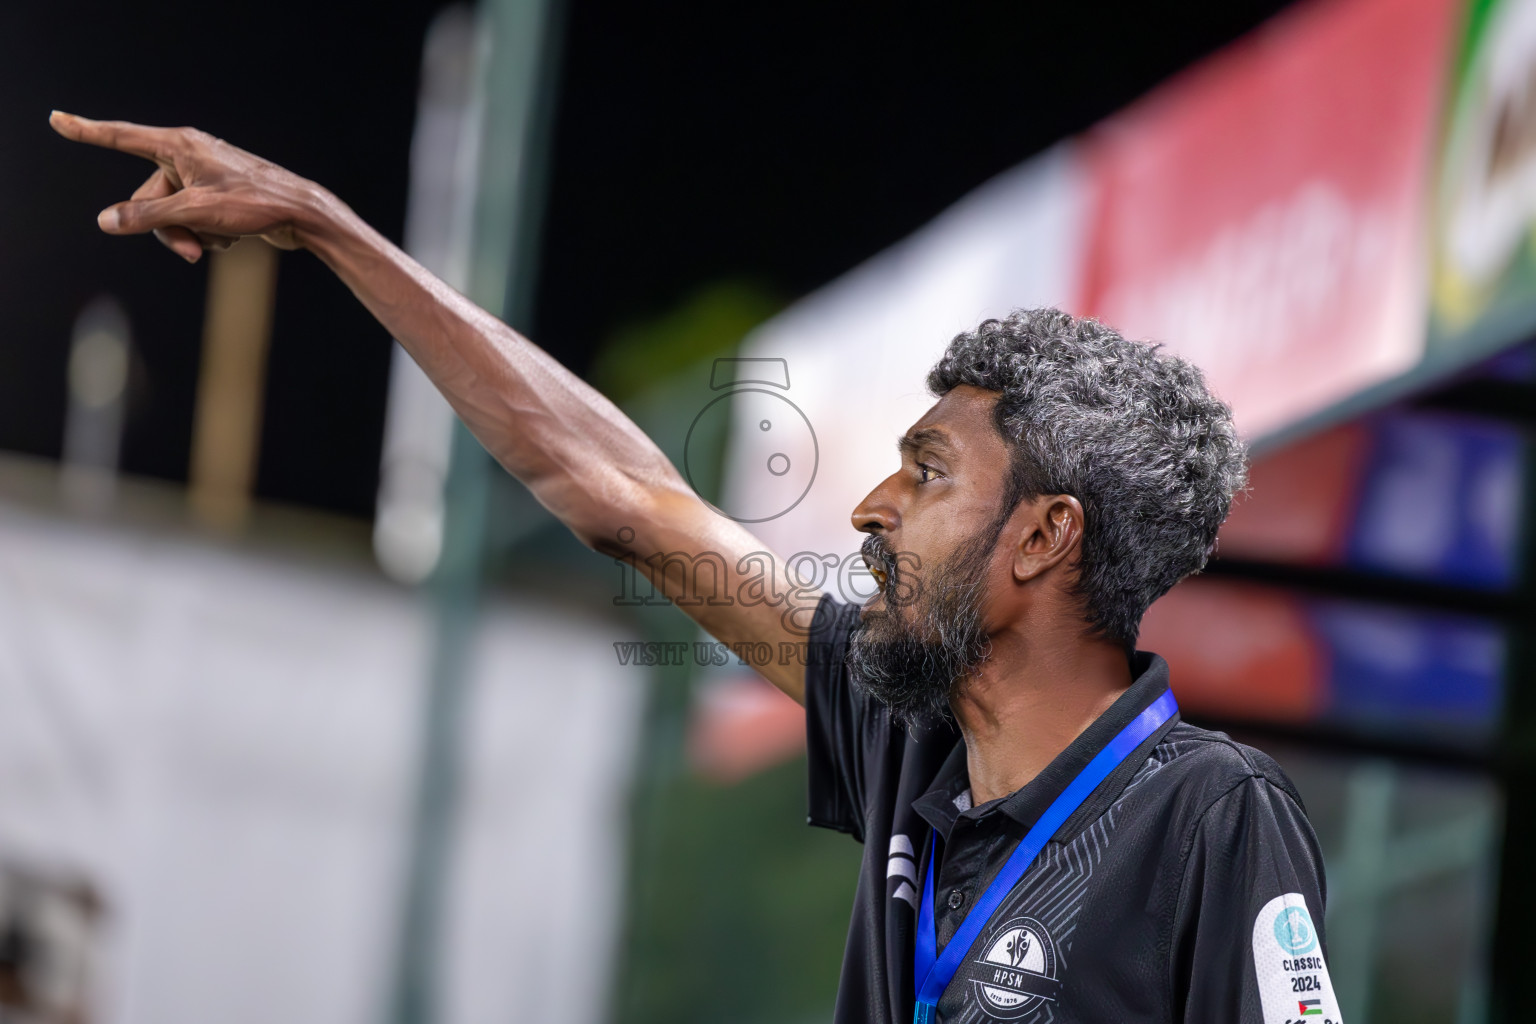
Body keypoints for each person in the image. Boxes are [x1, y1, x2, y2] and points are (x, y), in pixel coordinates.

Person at [50, 112, 1340, 1024]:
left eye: (929, 471)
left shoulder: (1213, 816)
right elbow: (626, 501)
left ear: (1047, 538)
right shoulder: (912, 741)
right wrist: (326, 228)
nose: (876, 506)